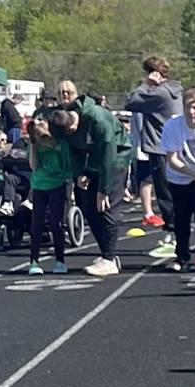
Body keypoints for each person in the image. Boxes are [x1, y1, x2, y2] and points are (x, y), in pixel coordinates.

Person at [48, 89, 133, 276]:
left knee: (106, 207)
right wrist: (80, 174)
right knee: (87, 206)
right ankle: (107, 254)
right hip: (93, 160)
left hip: (116, 159)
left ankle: (109, 259)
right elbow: (74, 152)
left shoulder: (98, 119)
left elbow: (108, 155)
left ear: (72, 127)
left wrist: (104, 189)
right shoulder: (67, 127)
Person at [158, 88, 195, 271]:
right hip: (179, 176)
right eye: (188, 108)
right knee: (181, 217)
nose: (192, 112)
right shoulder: (173, 126)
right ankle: (181, 256)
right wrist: (193, 174)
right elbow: (173, 159)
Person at [126, 55, 182, 232]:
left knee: (165, 194)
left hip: (160, 147)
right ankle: (177, 229)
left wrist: (146, 85)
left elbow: (130, 102)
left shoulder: (159, 93)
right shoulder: (176, 91)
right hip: (174, 147)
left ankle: (173, 232)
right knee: (174, 191)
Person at [22, 117, 73, 274]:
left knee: (55, 223)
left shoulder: (60, 144)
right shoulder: (36, 145)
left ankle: (60, 260)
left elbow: (67, 166)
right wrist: (33, 146)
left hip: (57, 185)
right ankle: (34, 260)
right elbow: (33, 166)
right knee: (36, 223)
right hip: (39, 186)